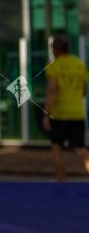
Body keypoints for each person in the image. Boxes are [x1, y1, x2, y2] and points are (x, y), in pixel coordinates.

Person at [42, 34, 89, 181]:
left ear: (55, 50)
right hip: (77, 114)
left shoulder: (53, 67)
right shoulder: (79, 64)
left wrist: (46, 114)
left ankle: (61, 187)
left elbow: (52, 92)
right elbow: (84, 91)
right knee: (81, 149)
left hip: (60, 114)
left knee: (57, 149)